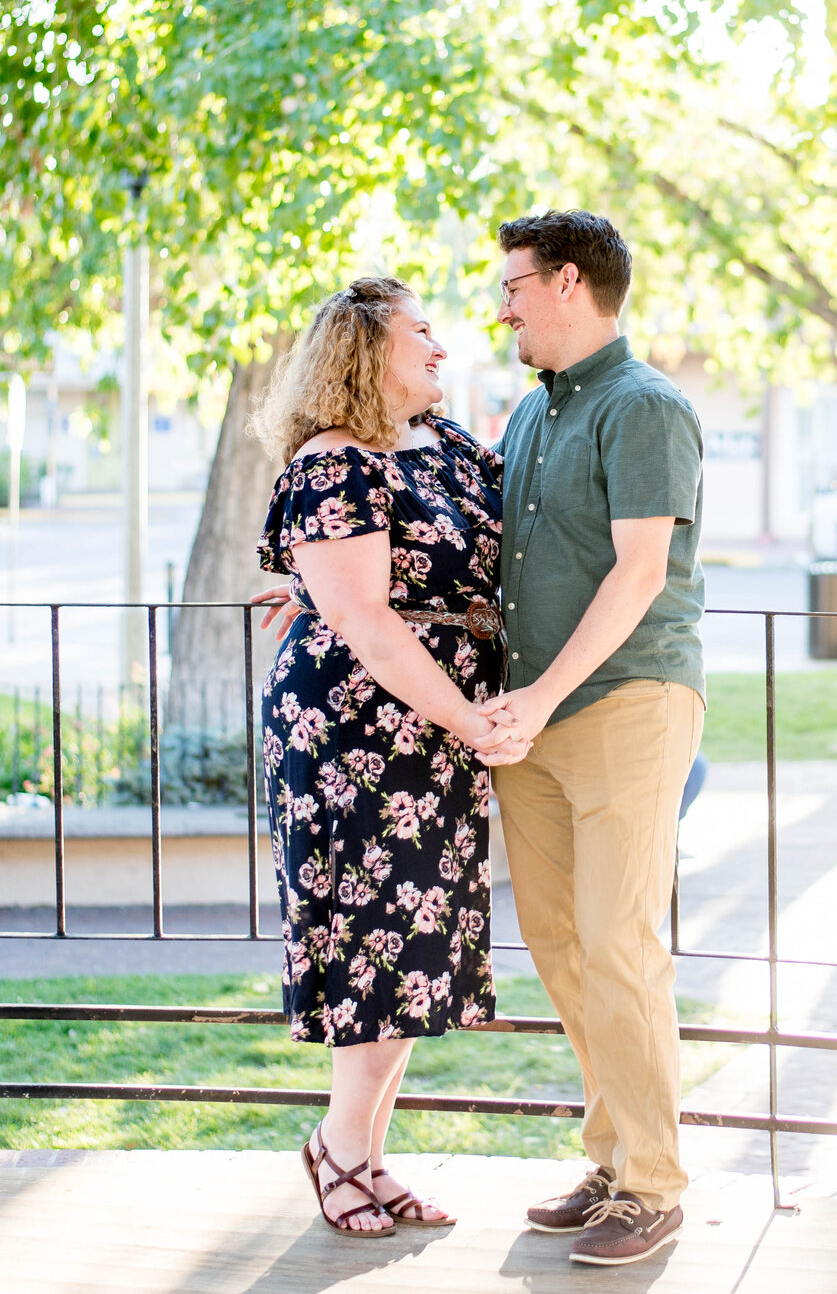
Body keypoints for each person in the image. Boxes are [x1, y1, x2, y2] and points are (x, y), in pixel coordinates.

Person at [252, 277, 521, 1240]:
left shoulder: (446, 447)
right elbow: (364, 617)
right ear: (366, 353)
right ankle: (339, 1149)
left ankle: (360, 1153)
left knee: (409, 953)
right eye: (421, 335)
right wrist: (471, 717)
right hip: (353, 737)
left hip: (436, 736)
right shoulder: (333, 465)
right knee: (373, 950)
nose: (441, 349)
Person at [477, 209, 705, 1269]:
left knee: (619, 942)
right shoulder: (528, 415)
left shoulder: (645, 405)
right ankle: (614, 1159)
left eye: (515, 282)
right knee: (564, 949)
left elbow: (638, 572)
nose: (502, 302)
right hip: (536, 719)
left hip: (624, 703)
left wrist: (541, 694)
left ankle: (654, 1184)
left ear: (568, 282)